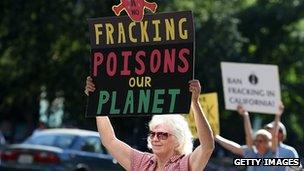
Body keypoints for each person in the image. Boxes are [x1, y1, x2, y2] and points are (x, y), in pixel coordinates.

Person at [85, 76, 214, 171]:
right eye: (153, 134)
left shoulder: (185, 164)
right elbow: (109, 141)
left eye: (163, 134)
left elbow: (207, 147)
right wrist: (97, 102)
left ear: (178, 141)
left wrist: (195, 103)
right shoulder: (142, 162)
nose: (155, 138)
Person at [215, 105, 281, 171]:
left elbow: (275, 136)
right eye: (256, 140)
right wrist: (216, 137)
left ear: (268, 143)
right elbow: (239, 144)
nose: (257, 143)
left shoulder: (272, 154)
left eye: (260, 141)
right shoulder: (252, 154)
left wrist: (278, 114)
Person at [264, 104, 301, 171]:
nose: (268, 131)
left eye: (272, 129)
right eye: (268, 129)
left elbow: (297, 169)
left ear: (281, 134)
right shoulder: (260, 148)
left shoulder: (289, 151)